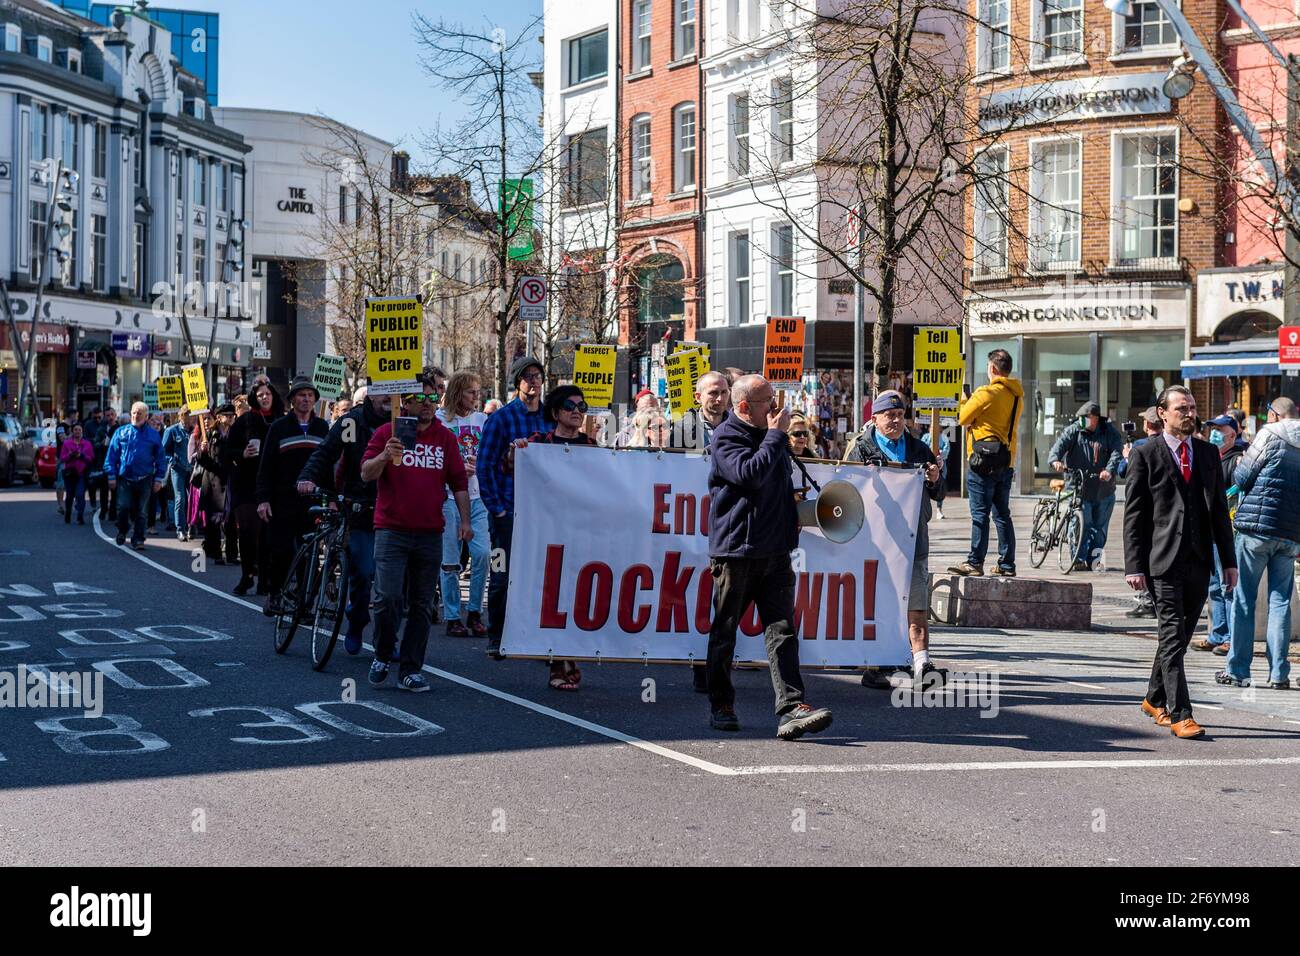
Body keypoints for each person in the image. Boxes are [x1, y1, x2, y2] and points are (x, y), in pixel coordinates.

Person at [705, 373, 833, 740]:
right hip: (737, 552)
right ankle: (721, 703)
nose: (777, 411)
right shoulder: (725, 437)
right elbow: (749, 475)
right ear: (745, 407)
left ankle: (791, 707)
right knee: (725, 629)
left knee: (782, 630)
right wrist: (776, 436)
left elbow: (775, 488)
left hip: (775, 551)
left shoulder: (769, 438)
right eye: (769, 404)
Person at [1124, 385, 1237, 739]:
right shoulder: (1145, 453)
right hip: (1162, 561)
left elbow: (1220, 511)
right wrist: (1133, 566)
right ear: (1163, 413)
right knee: (1172, 634)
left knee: (1181, 637)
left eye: (1191, 407)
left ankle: (1153, 697)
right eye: (1182, 408)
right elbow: (1134, 515)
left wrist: (1229, 563)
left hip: (1199, 559)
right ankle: (1180, 713)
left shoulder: (1207, 453)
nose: (1189, 413)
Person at [360, 373, 471, 692]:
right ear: (404, 402)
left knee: (422, 605)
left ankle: (410, 668)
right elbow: (365, 474)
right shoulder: (388, 432)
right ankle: (382, 653)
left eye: (432, 398)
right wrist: (384, 454)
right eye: (420, 399)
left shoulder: (445, 438)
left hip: (429, 533)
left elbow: (459, 483)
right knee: (387, 598)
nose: (427, 404)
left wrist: (465, 522)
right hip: (391, 531)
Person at [856, 391, 946, 689]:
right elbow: (843, 486)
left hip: (913, 541)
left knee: (917, 604)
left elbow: (939, 493)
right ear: (874, 419)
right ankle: (877, 664)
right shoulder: (861, 448)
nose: (895, 421)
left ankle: (922, 664)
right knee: (880, 605)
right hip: (876, 544)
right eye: (888, 416)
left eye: (899, 415)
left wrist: (935, 479)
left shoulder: (919, 450)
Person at [514, 384, 596, 690]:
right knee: (553, 595)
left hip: (581, 531)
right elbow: (511, 468)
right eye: (569, 406)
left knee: (577, 595)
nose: (576, 412)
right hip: (547, 531)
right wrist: (518, 452)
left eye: (581, 406)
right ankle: (559, 663)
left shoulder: (591, 445)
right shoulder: (539, 443)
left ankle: (569, 656)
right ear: (555, 413)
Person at [1216, 397, 1300, 690]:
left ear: (1275, 415)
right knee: (1281, 603)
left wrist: (1241, 463)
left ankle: (1238, 670)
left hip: (1256, 530)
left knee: (1243, 599)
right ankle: (1279, 674)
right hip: (1290, 534)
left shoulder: (1268, 434)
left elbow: (1243, 476)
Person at [299, 385, 388, 652]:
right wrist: (307, 477)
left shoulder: (405, 420)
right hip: (361, 509)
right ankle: (357, 621)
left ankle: (387, 640)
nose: (388, 399)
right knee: (363, 571)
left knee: (392, 583)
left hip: (396, 509)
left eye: (393, 393)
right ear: (370, 395)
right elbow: (326, 452)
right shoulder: (352, 421)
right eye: (383, 392)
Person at [478, 356, 553, 658]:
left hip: (542, 512)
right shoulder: (501, 419)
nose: (534, 381)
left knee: (539, 575)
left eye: (538, 376)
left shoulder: (550, 417)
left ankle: (531, 636)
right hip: (508, 511)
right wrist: (497, 509)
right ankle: (497, 636)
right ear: (517, 381)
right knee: (502, 575)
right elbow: (485, 466)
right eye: (528, 376)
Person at [257, 377, 330, 613]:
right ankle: (275, 593)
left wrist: (331, 498)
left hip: (312, 502)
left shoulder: (322, 428)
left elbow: (328, 467)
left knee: (309, 553)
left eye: (310, 395)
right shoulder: (279, 427)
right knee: (282, 551)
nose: (306, 399)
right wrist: (263, 499)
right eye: (301, 395)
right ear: (292, 400)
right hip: (283, 500)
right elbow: (265, 466)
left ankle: (304, 601)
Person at [950, 349, 1023, 577]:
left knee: (980, 513)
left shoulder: (986, 393)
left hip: (981, 461)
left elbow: (962, 418)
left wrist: (965, 398)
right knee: (1002, 514)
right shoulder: (1016, 396)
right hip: (1005, 461)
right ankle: (1007, 564)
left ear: (992, 368)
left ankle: (974, 562)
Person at [437, 372, 491, 639]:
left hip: (477, 497)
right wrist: (455, 469)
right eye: (471, 392)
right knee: (450, 561)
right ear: (458, 392)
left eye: (477, 391)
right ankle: (452, 616)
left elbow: (492, 455)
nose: (476, 397)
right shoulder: (439, 421)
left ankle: (474, 612)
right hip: (447, 498)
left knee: (482, 554)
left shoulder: (483, 421)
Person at [1193, 414, 1249, 653]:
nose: (1213, 433)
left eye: (1219, 429)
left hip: (1228, 530)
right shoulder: (1211, 456)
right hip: (1210, 529)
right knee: (1214, 586)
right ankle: (1218, 633)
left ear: (1232, 436)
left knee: (1228, 586)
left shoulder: (1237, 460)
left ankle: (1230, 639)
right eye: (1211, 429)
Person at [1049, 401, 1124, 571]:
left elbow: (1116, 452)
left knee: (1099, 528)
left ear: (1095, 418)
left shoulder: (1109, 432)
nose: (1081, 421)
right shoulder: (1074, 430)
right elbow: (1059, 446)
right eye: (1080, 418)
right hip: (1079, 486)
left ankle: (1095, 559)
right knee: (1082, 524)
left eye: (1086, 418)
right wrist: (1055, 460)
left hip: (1103, 488)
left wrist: (1109, 470)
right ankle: (1078, 559)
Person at [227, 381, 284, 596]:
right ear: (255, 397)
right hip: (247, 483)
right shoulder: (244, 420)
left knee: (268, 535)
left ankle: (265, 579)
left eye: (268, 393)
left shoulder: (282, 420)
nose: (265, 397)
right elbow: (227, 450)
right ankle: (247, 575)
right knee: (249, 531)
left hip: (273, 484)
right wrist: (242, 453)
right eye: (260, 394)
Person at [1119, 407, 1164, 618]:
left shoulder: (1138, 446)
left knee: (1143, 551)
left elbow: (1121, 471)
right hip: (1162, 511)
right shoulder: (1169, 445)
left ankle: (1147, 601)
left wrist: (1127, 457)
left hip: (1141, 507)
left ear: (1147, 425)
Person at [104, 402, 167, 550]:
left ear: (145, 416)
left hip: (145, 478)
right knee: (123, 507)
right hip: (125, 478)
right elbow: (112, 455)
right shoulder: (121, 432)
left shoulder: (153, 435)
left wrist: (159, 478)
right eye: (133, 412)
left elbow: (160, 458)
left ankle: (138, 539)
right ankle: (122, 529)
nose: (135, 416)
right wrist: (111, 475)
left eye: (139, 413)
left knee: (141, 511)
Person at [192, 404, 238, 565]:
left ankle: (232, 554)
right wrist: (202, 451)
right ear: (219, 417)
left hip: (230, 481)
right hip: (214, 481)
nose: (231, 418)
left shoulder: (236, 433)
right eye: (228, 415)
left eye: (233, 415)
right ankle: (215, 552)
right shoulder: (210, 434)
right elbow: (202, 461)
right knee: (214, 521)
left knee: (231, 520)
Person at [162, 407, 195, 541]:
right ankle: (180, 529)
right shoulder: (171, 431)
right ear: (182, 416)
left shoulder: (196, 431)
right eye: (189, 416)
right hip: (178, 469)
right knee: (180, 499)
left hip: (193, 470)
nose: (191, 419)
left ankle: (192, 526)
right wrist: (172, 460)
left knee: (193, 499)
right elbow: (163, 451)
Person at [676, 371, 731, 449]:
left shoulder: (738, 426)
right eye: (714, 393)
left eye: (724, 392)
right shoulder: (682, 428)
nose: (720, 398)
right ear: (698, 397)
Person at [59, 423, 93, 525]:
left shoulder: (87, 444)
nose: (77, 432)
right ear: (72, 431)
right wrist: (71, 455)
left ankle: (80, 516)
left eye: (79, 430)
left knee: (80, 494)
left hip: (81, 473)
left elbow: (91, 459)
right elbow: (62, 458)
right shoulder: (67, 443)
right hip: (70, 474)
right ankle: (68, 512)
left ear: (82, 432)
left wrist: (81, 455)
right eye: (75, 430)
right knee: (69, 495)